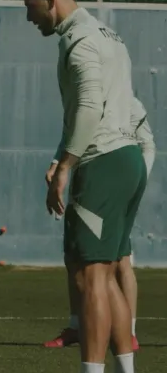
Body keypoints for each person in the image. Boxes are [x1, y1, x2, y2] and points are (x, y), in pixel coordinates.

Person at [18, 0, 144, 373]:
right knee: (106, 273)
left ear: (50, 0)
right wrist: (61, 158)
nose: (29, 18)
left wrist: (68, 164)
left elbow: (90, 106)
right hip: (125, 160)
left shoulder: (80, 40)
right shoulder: (108, 35)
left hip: (103, 162)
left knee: (91, 275)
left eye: (30, 7)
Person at [44, 96, 153, 352]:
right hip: (87, 180)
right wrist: (56, 164)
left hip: (115, 185)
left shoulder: (130, 104)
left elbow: (148, 144)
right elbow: (73, 131)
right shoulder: (86, 97)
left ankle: (129, 333)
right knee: (75, 255)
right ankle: (77, 327)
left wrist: (137, 182)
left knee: (119, 260)